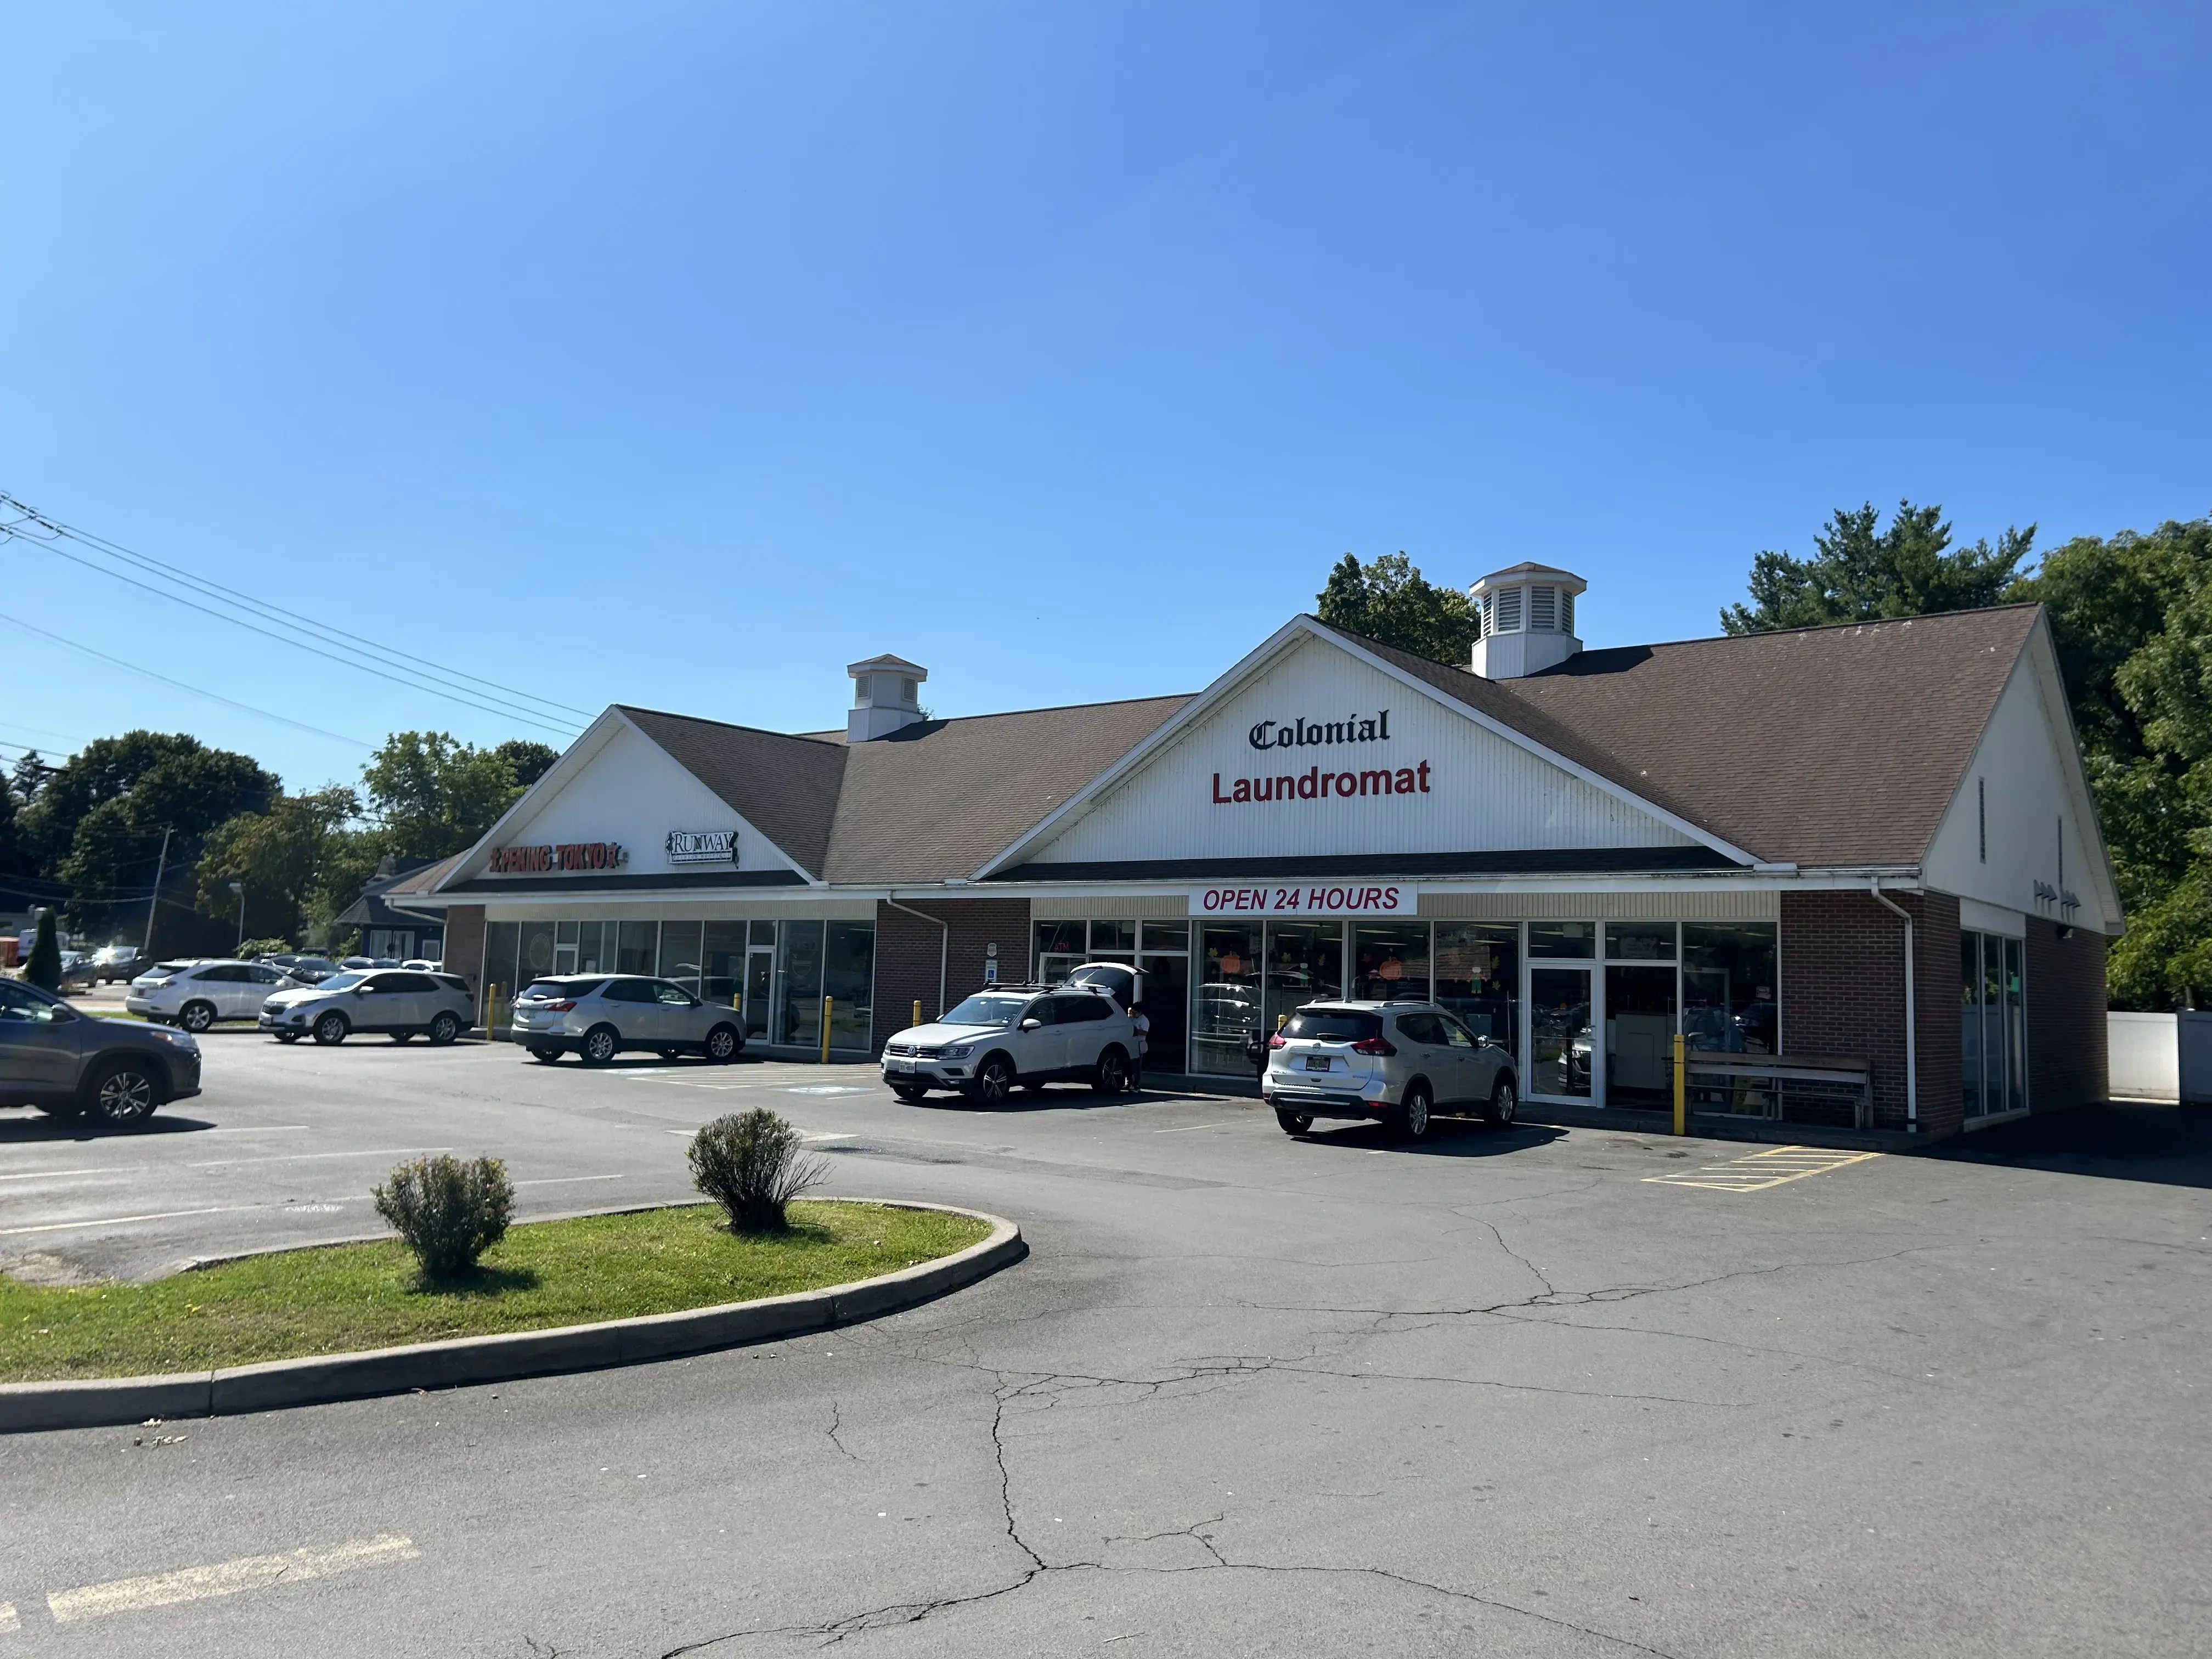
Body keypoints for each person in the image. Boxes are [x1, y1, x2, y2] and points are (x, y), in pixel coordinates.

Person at [1130, 1003, 1151, 1092]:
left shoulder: (1144, 1020)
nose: (1133, 1014)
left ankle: (1136, 1084)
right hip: (1130, 1044)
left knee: (1137, 1065)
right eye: (1132, 1012)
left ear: (1140, 1013)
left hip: (1138, 1044)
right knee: (1129, 1064)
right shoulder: (1131, 1018)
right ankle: (1129, 1083)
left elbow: (1145, 1032)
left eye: (1135, 1013)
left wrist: (1135, 1030)